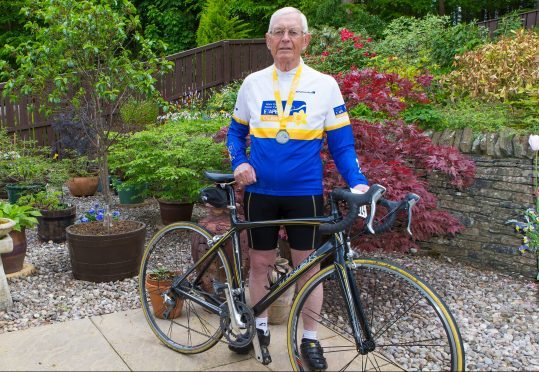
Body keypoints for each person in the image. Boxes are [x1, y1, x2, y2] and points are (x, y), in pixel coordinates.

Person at [226, 6, 369, 370]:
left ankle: (310, 339)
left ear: (306, 40)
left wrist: (357, 182)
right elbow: (235, 133)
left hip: (304, 193)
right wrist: (238, 162)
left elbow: (342, 145)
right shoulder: (253, 83)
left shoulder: (325, 85)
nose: (285, 38)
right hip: (261, 193)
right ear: (268, 41)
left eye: (293, 32)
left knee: (308, 269)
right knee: (259, 265)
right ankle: (257, 327)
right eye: (279, 32)